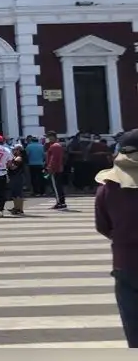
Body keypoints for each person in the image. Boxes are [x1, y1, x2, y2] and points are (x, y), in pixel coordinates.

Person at [95, 129, 138, 348]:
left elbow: (102, 226)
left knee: (134, 332)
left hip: (125, 264)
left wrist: (123, 237)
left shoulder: (108, 188)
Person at [45, 131, 67, 209]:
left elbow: (53, 158)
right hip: (57, 168)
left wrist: (50, 168)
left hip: (55, 169)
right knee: (58, 186)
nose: (48, 139)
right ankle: (61, 202)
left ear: (54, 137)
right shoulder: (55, 145)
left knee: (56, 187)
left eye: (50, 137)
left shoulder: (55, 146)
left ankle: (59, 202)